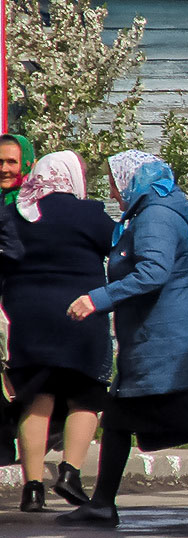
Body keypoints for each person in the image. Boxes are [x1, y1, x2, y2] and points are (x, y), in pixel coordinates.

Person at [58, 151, 188, 528]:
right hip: (156, 339)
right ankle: (103, 502)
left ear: (132, 179)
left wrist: (97, 299)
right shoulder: (155, 210)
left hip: (166, 342)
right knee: (122, 418)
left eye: (115, 179)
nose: (112, 188)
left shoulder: (155, 215)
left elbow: (153, 272)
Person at [0, 152, 114, 511]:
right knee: (85, 395)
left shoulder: (17, 210)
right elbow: (118, 244)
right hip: (80, 313)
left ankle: (32, 488)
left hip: (27, 315)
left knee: (37, 395)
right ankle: (70, 474)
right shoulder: (89, 213)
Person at [0, 133, 36, 206]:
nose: (3, 169)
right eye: (0, 162)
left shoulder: (37, 205)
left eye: (11, 162)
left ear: (27, 164)